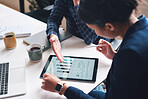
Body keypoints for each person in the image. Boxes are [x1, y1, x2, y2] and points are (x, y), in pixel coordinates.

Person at [42, 0, 148, 99]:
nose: (94, 32)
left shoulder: (129, 54)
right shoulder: (145, 25)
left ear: (109, 27)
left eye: (93, 29)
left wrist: (61, 88)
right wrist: (114, 55)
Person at [46, 0, 110, 62]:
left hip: (97, 45)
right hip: (73, 40)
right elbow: (53, 19)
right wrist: (53, 35)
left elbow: (89, 39)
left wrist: (77, 5)